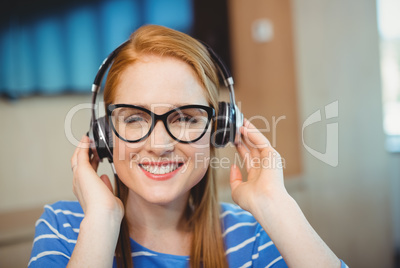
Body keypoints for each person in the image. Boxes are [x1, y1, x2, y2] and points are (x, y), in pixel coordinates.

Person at [29, 25, 347, 268]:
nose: (160, 144)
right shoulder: (63, 228)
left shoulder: (254, 238)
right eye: (135, 118)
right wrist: (102, 219)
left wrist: (275, 205)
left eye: (185, 118)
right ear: (105, 134)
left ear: (219, 130)